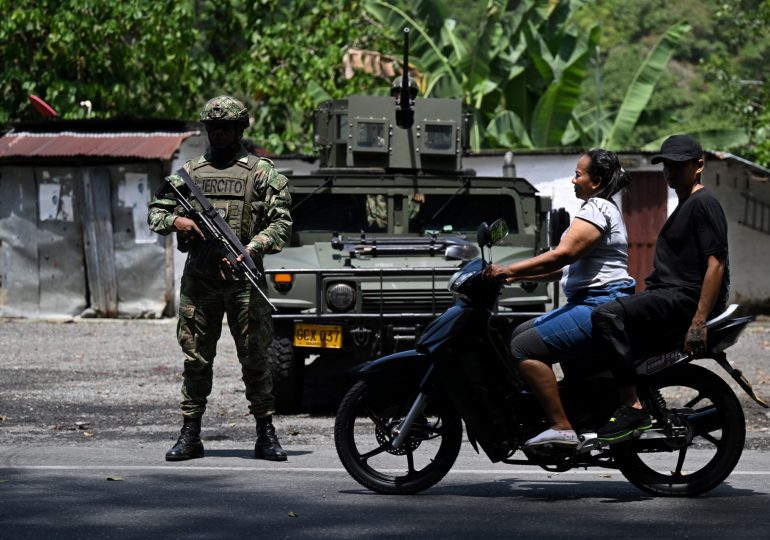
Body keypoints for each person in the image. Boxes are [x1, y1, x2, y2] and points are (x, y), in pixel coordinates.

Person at [148, 96, 292, 462]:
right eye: (212, 128)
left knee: (256, 360)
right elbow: (156, 212)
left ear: (240, 129)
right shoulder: (191, 173)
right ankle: (190, 434)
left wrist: (253, 247)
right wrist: (178, 221)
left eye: (225, 127)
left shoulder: (262, 173)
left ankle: (265, 433)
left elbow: (282, 224)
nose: (218, 134)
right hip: (201, 281)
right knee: (196, 361)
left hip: (244, 281)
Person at [483, 149, 634, 448]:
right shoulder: (604, 208)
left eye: (578, 174)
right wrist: (515, 276)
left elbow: (562, 255)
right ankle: (569, 408)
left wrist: (508, 268)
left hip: (598, 304)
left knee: (521, 346)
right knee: (522, 332)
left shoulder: (595, 209)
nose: (573, 180)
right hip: (598, 300)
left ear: (597, 181)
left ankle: (561, 425)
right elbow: (568, 267)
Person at [592, 134, 729, 443]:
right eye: (666, 165)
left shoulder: (703, 203)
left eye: (678, 166)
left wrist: (698, 321)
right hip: (669, 295)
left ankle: (633, 405)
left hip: (681, 298)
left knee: (606, 316)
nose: (670, 172)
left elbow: (716, 264)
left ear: (699, 166)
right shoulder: (687, 204)